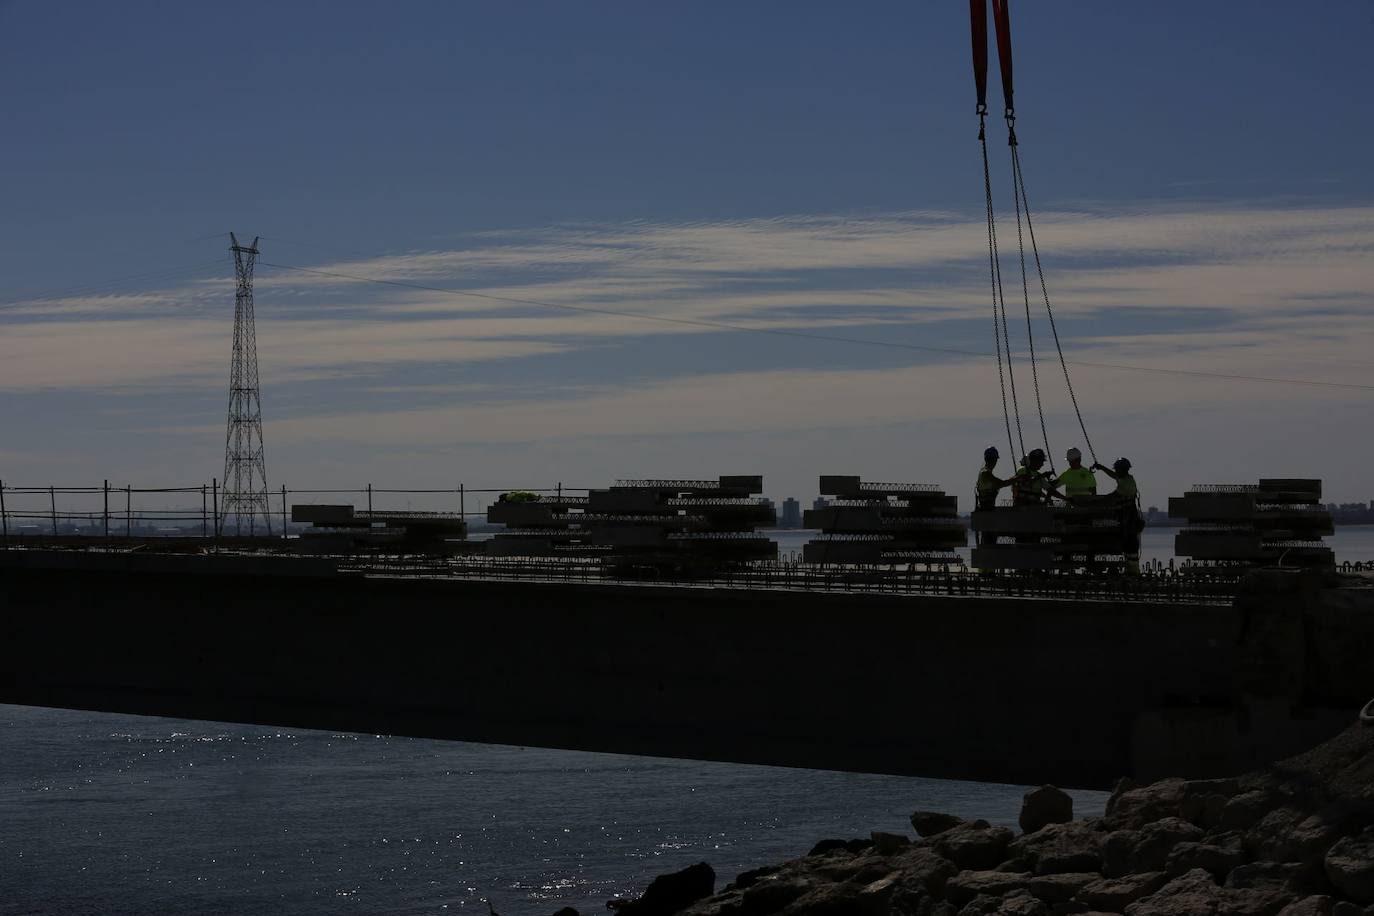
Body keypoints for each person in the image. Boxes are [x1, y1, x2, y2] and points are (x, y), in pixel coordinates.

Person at [1094, 457, 1143, 573]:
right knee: (1128, 543)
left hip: (1129, 516)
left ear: (1123, 470)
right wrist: (1101, 467)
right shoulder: (1125, 478)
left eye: (1117, 470)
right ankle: (1130, 569)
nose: (1115, 472)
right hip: (1127, 515)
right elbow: (1113, 475)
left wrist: (1095, 502)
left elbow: (1112, 497)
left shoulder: (1126, 484)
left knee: (1129, 542)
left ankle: (1132, 571)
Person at [975, 446, 1013, 511]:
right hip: (986, 511)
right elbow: (1001, 483)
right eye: (994, 459)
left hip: (986, 509)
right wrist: (1016, 480)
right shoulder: (985, 473)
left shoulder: (985, 472)